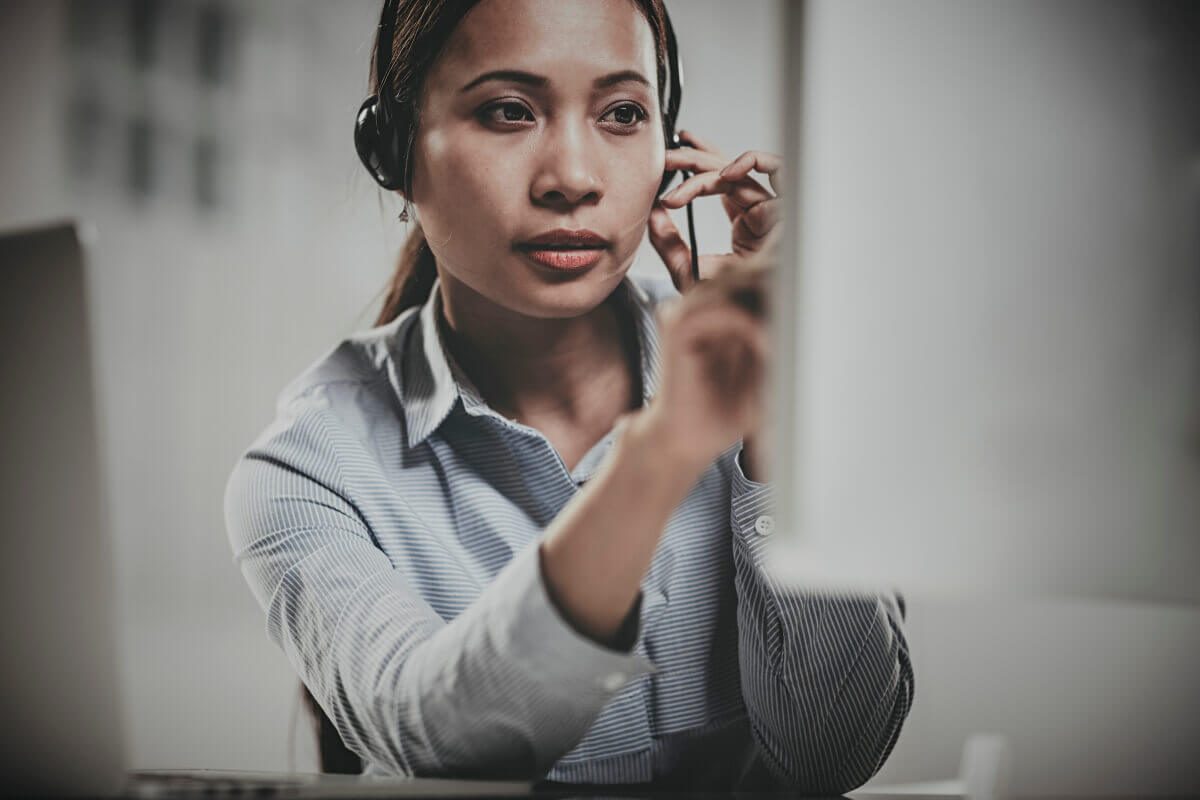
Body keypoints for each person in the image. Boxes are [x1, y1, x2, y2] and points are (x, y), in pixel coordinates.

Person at [223, 0, 913, 791]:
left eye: (623, 113)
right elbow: (442, 738)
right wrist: (665, 453)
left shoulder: (768, 373)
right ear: (393, 151)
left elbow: (833, 756)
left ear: (670, 150)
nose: (575, 180)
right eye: (508, 111)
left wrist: (773, 416)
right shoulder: (308, 466)